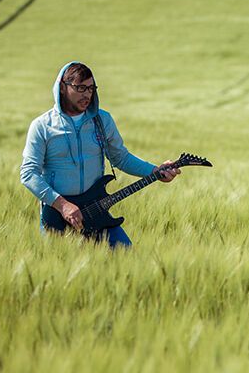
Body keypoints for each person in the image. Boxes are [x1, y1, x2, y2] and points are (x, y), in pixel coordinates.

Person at [20, 61, 180, 247]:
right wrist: (63, 205)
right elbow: (28, 173)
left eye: (91, 88)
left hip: (97, 210)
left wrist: (155, 171)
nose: (87, 94)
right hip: (57, 215)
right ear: (63, 87)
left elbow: (121, 158)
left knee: (126, 256)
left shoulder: (103, 120)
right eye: (80, 88)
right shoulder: (42, 126)